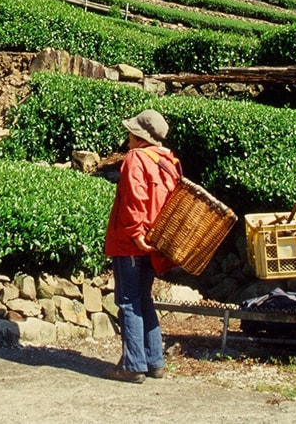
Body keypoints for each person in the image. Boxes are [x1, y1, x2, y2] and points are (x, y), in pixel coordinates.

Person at [103, 108, 181, 383]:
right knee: (144, 299)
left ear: (138, 136)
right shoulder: (168, 162)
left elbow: (134, 198)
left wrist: (136, 233)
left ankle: (134, 365)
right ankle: (154, 361)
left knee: (128, 301)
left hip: (132, 244)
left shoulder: (136, 158)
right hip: (156, 243)